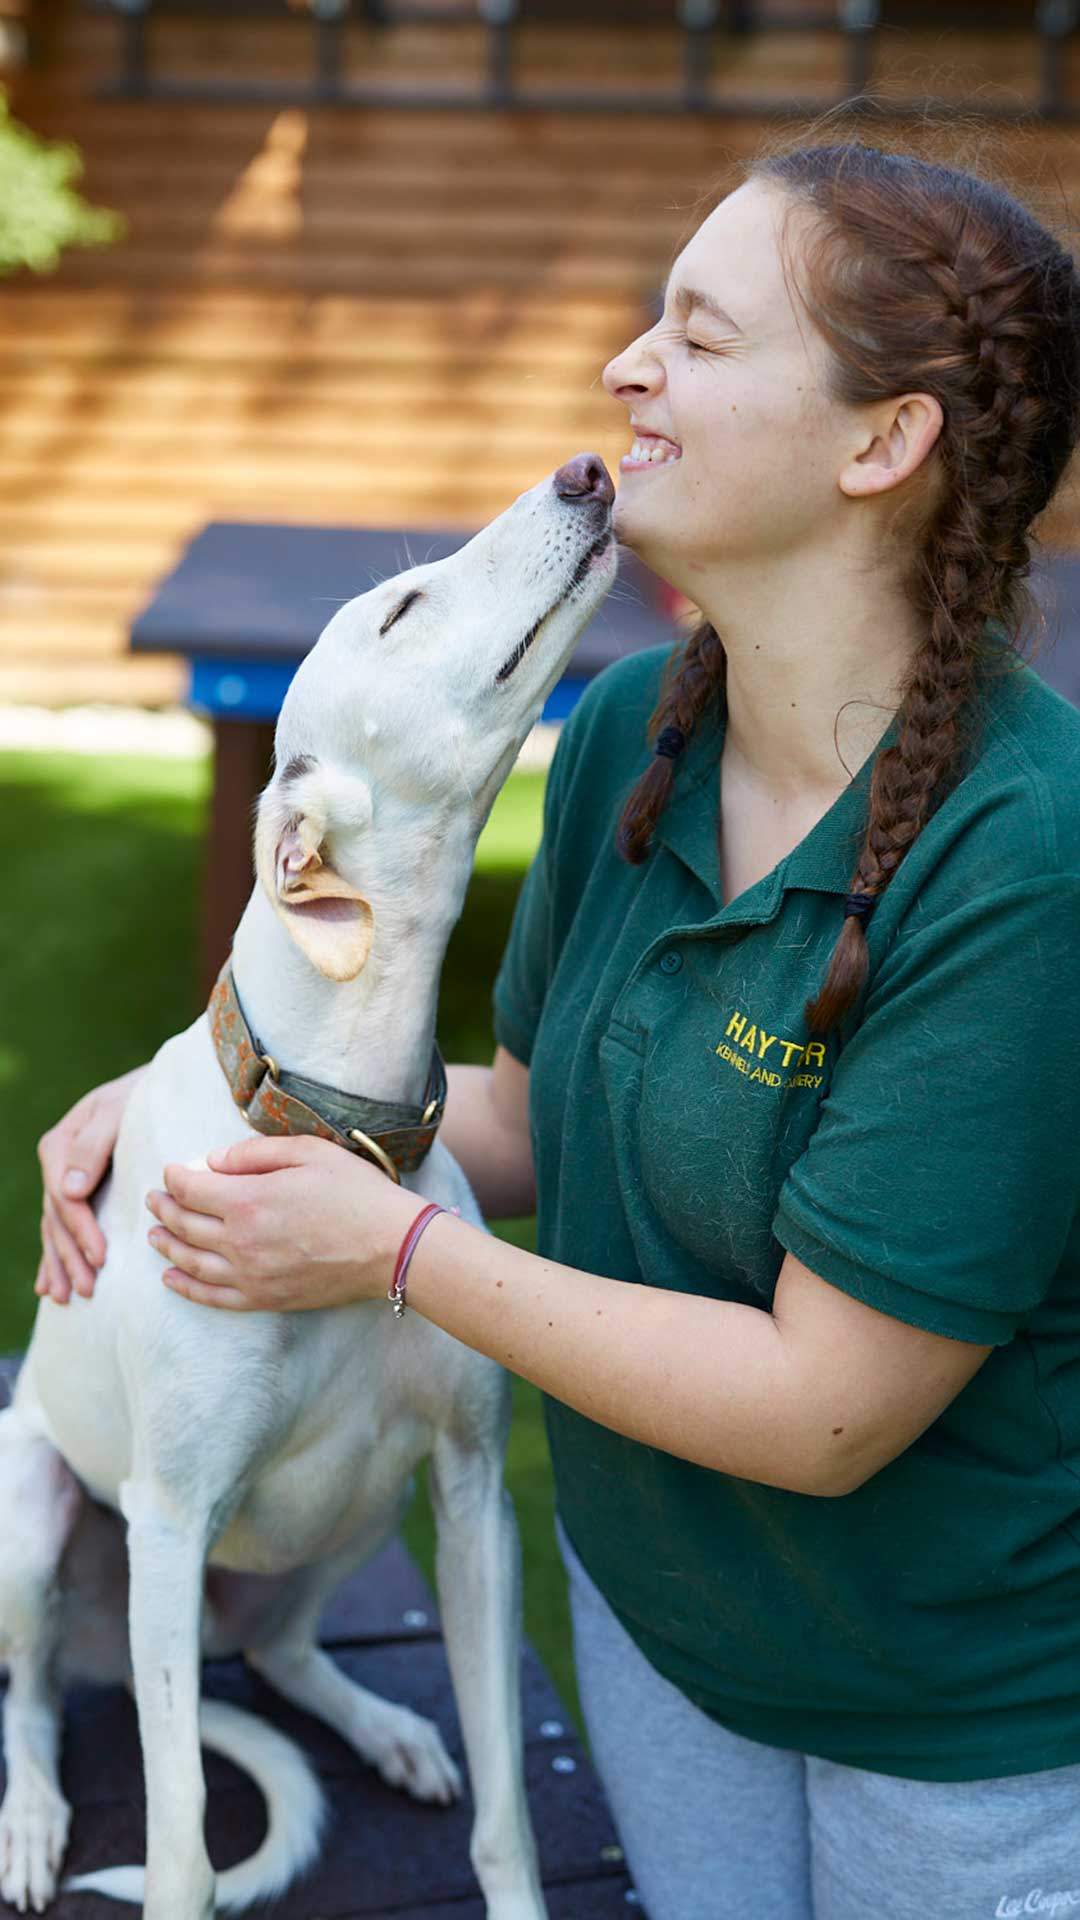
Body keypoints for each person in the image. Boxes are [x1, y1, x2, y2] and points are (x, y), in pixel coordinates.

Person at [35, 133, 1080, 1918]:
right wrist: (210, 1091)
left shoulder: (1022, 865)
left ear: (880, 443)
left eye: (701, 331)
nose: (627, 367)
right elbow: (520, 1118)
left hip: (944, 1733)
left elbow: (829, 1411)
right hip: (659, 1650)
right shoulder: (621, 739)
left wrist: (396, 1251)